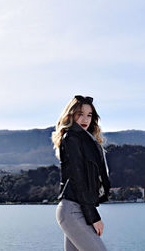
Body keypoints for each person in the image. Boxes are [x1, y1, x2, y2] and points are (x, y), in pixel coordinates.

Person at [51, 95, 111, 251]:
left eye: (89, 115)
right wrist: (94, 217)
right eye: (80, 114)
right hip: (72, 210)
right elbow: (78, 180)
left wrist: (90, 212)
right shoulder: (71, 138)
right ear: (71, 115)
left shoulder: (87, 141)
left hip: (79, 209)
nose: (85, 119)